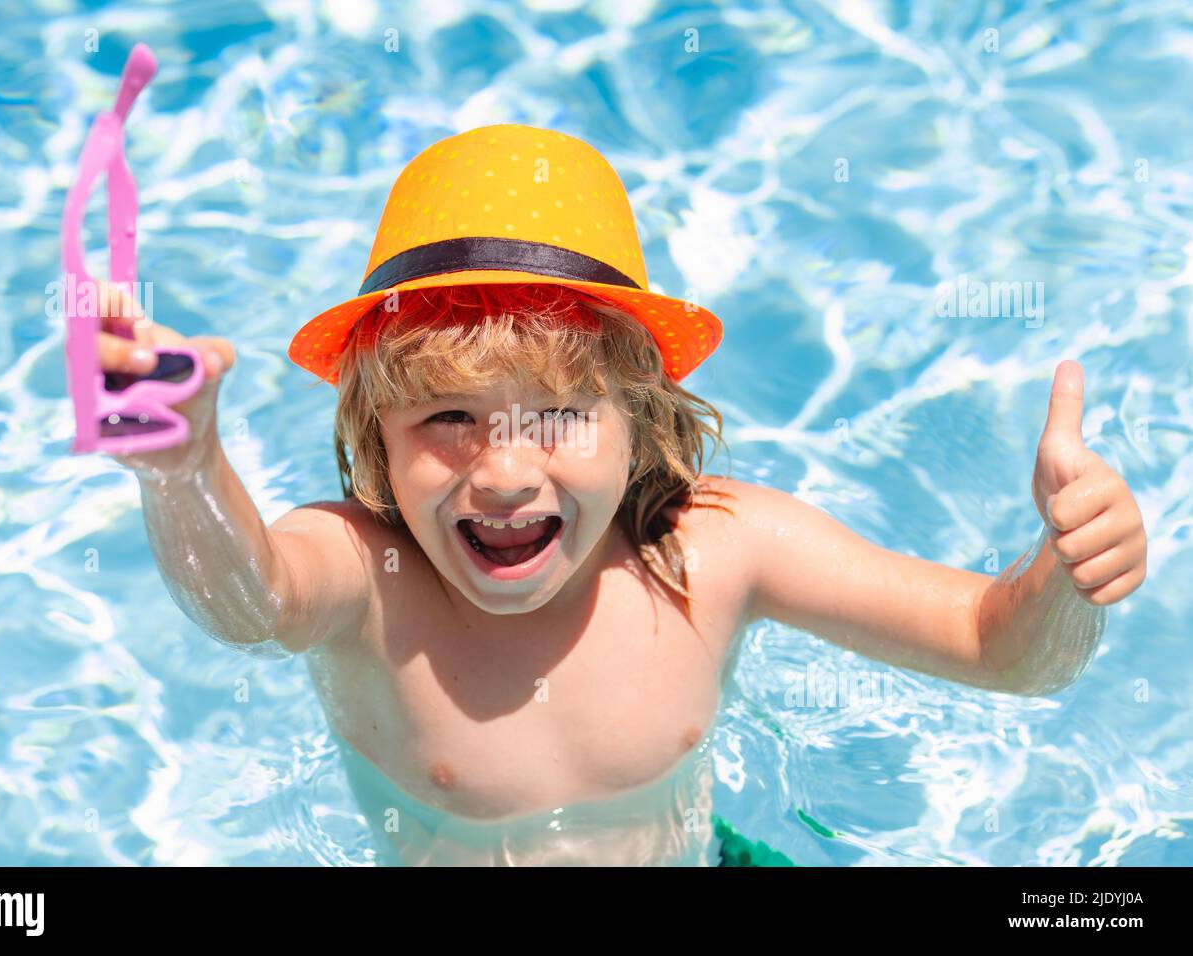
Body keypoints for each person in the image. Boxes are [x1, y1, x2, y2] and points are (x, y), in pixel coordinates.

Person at [88, 124, 1148, 865]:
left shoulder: (717, 552)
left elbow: (1002, 651)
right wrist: (184, 472)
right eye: (445, 419)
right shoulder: (372, 576)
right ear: (375, 438)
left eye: (558, 414)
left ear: (642, 420)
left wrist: (1066, 575)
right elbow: (246, 600)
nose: (502, 471)